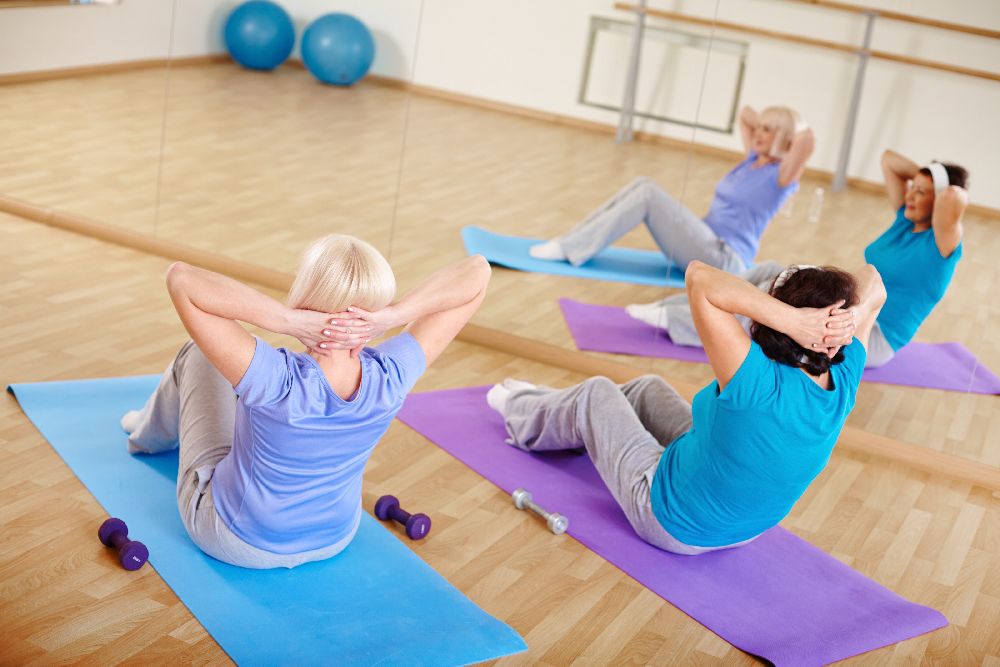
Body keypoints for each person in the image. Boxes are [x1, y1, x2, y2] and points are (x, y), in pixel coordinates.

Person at [121, 234, 490, 568]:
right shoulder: (392, 374)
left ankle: (145, 435)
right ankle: (151, 428)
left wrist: (285, 321)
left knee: (200, 354)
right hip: (335, 538)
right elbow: (477, 271)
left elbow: (181, 279)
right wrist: (396, 316)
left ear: (306, 299)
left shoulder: (275, 375)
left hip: (236, 540)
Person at [487, 262, 885, 554]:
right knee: (647, 389)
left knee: (596, 393)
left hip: (674, 520)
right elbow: (874, 283)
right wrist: (848, 318)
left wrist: (792, 320)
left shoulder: (755, 379)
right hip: (743, 523)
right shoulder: (846, 373)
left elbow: (699, 278)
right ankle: (562, 415)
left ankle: (519, 411)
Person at [626, 150, 968, 368]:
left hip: (871, 333)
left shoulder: (941, 246)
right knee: (773, 272)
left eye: (921, 191)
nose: (909, 193)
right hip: (852, 306)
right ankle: (679, 306)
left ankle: (680, 322)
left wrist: (939, 184)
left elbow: (954, 195)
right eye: (911, 187)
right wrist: (927, 175)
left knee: (780, 310)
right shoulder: (905, 221)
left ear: (938, 202)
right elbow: (889, 160)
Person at [528, 105, 814, 275]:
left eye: (768, 130)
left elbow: (807, 141)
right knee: (642, 184)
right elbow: (745, 114)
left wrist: (790, 130)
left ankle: (569, 249)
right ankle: (570, 244)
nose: (758, 134)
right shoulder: (751, 160)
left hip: (725, 260)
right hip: (703, 242)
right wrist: (771, 123)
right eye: (760, 128)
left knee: (649, 193)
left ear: (784, 137)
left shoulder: (781, 179)